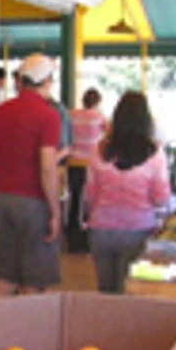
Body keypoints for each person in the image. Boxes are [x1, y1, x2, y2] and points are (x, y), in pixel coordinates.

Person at [85, 91, 171, 294]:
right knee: (129, 293)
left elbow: (89, 195)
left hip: (101, 229)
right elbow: (161, 198)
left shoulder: (98, 150)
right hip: (138, 230)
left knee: (105, 293)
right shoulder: (155, 154)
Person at [0, 53, 62, 296]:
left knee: (7, 273)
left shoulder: (1, 112)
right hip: (31, 202)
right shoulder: (48, 116)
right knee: (32, 277)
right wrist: (55, 211)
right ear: (47, 81)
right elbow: (47, 167)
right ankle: (28, 322)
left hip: (0, 198)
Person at [66, 88, 108, 252]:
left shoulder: (72, 115)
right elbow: (109, 135)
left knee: (75, 199)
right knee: (89, 200)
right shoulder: (99, 117)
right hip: (91, 164)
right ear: (97, 102)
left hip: (73, 162)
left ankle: (71, 236)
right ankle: (86, 237)